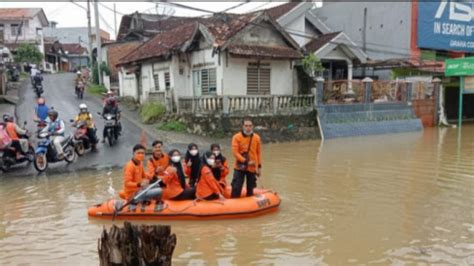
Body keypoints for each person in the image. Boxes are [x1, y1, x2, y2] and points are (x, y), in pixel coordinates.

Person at [230, 118, 262, 198]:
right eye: (246, 126)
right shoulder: (236, 137)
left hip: (252, 167)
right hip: (240, 167)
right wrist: (246, 162)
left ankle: (250, 205)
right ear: (243, 126)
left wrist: (259, 167)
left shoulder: (257, 138)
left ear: (253, 127)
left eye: (250, 126)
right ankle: (233, 205)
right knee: (236, 187)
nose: (248, 128)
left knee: (250, 189)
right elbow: (235, 153)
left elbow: (258, 153)